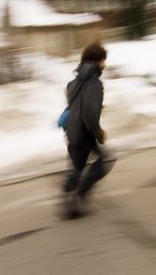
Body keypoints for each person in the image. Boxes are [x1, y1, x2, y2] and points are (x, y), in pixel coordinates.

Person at [61, 42, 109, 219]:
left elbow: (75, 106)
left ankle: (71, 203)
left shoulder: (73, 82)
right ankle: (81, 191)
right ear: (98, 61)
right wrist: (98, 132)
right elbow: (89, 114)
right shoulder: (95, 83)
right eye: (104, 60)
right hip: (85, 132)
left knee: (77, 167)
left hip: (71, 130)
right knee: (105, 160)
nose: (105, 64)